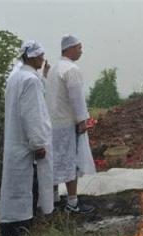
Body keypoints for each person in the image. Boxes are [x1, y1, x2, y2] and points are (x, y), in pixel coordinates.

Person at [0, 40, 54, 236]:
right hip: (25, 143)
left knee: (16, 187)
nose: (42, 59)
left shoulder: (16, 77)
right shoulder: (30, 80)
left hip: (16, 141)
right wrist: (38, 143)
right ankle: (21, 230)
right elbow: (33, 114)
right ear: (31, 57)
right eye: (40, 55)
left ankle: (12, 229)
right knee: (25, 187)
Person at [46, 35, 96, 213]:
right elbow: (77, 98)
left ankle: (52, 201)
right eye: (79, 47)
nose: (81, 51)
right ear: (69, 49)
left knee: (54, 161)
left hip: (53, 123)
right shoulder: (71, 69)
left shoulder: (54, 69)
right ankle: (72, 203)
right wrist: (82, 120)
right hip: (67, 124)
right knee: (70, 163)